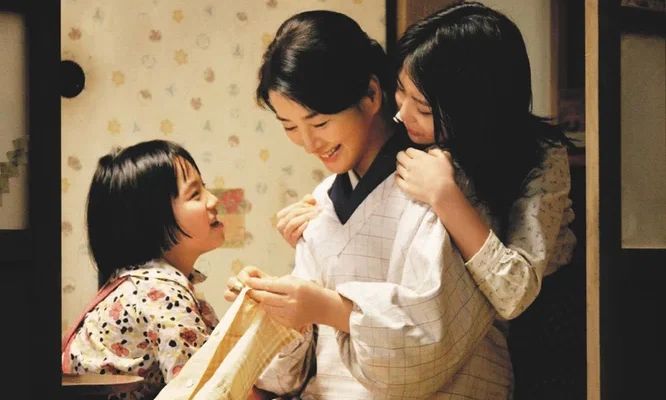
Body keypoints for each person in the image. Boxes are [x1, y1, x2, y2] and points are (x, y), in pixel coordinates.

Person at [226, 10, 512, 400]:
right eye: (290, 127)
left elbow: (431, 343)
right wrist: (273, 307)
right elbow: (289, 376)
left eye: (319, 123)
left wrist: (326, 307)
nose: (308, 144)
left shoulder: (440, 183)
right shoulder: (321, 202)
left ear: (372, 95)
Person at [279, 1, 576, 322]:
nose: (402, 114)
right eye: (400, 91)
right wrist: (321, 230)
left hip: (543, 320)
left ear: (474, 109)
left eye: (423, 107)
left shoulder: (542, 155)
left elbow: (514, 294)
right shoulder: (413, 138)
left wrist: (445, 196)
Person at [61, 140, 225, 400]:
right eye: (195, 194)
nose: (213, 200)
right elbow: (204, 393)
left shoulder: (139, 282)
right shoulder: (161, 293)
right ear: (153, 218)